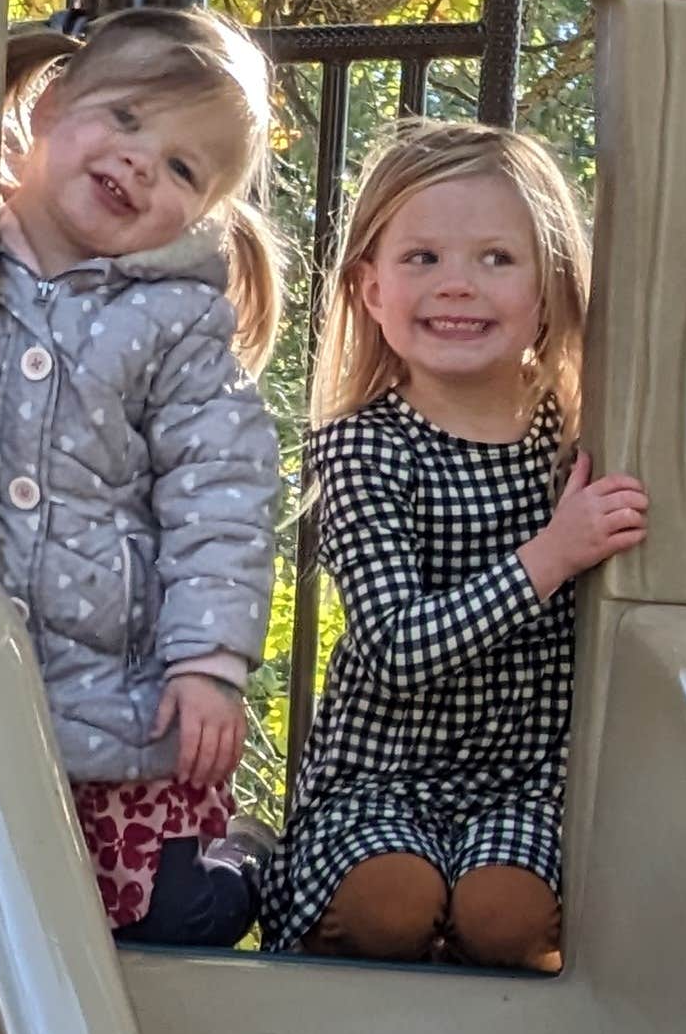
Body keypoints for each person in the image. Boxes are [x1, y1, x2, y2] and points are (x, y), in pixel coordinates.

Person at [265, 120, 648, 970]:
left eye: (496, 259)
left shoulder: (580, 442)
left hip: (521, 789)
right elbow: (396, 646)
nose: (458, 286)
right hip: (381, 782)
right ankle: (331, 941)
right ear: (368, 288)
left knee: (506, 915)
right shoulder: (363, 447)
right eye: (422, 259)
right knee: (390, 903)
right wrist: (552, 555)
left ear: (549, 290)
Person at [0, 8, 285, 948]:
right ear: (48, 108)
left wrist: (210, 662)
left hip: (118, 697)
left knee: (168, 918)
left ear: (202, 214)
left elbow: (223, 498)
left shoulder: (179, 325)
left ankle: (239, 861)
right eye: (124, 119)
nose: (142, 163)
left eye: (184, 168)